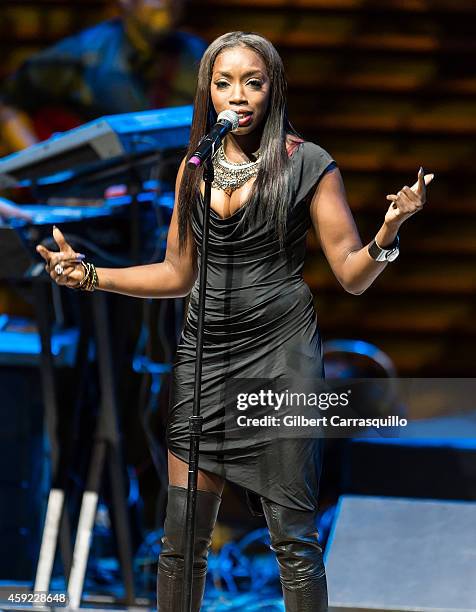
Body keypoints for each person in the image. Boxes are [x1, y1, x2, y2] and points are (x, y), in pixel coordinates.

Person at [36, 31, 434, 611]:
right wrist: (91, 275)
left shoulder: (309, 163)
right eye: (224, 84)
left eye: (253, 82)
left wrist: (389, 230)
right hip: (205, 355)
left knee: (293, 540)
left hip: (281, 355)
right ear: (209, 92)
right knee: (181, 542)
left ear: (273, 90)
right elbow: (177, 274)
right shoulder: (194, 168)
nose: (238, 96)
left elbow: (351, 273)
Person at [0, 0, 206, 152]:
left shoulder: (197, 51)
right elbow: (8, 101)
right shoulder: (85, 52)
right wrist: (38, 166)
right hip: (100, 190)